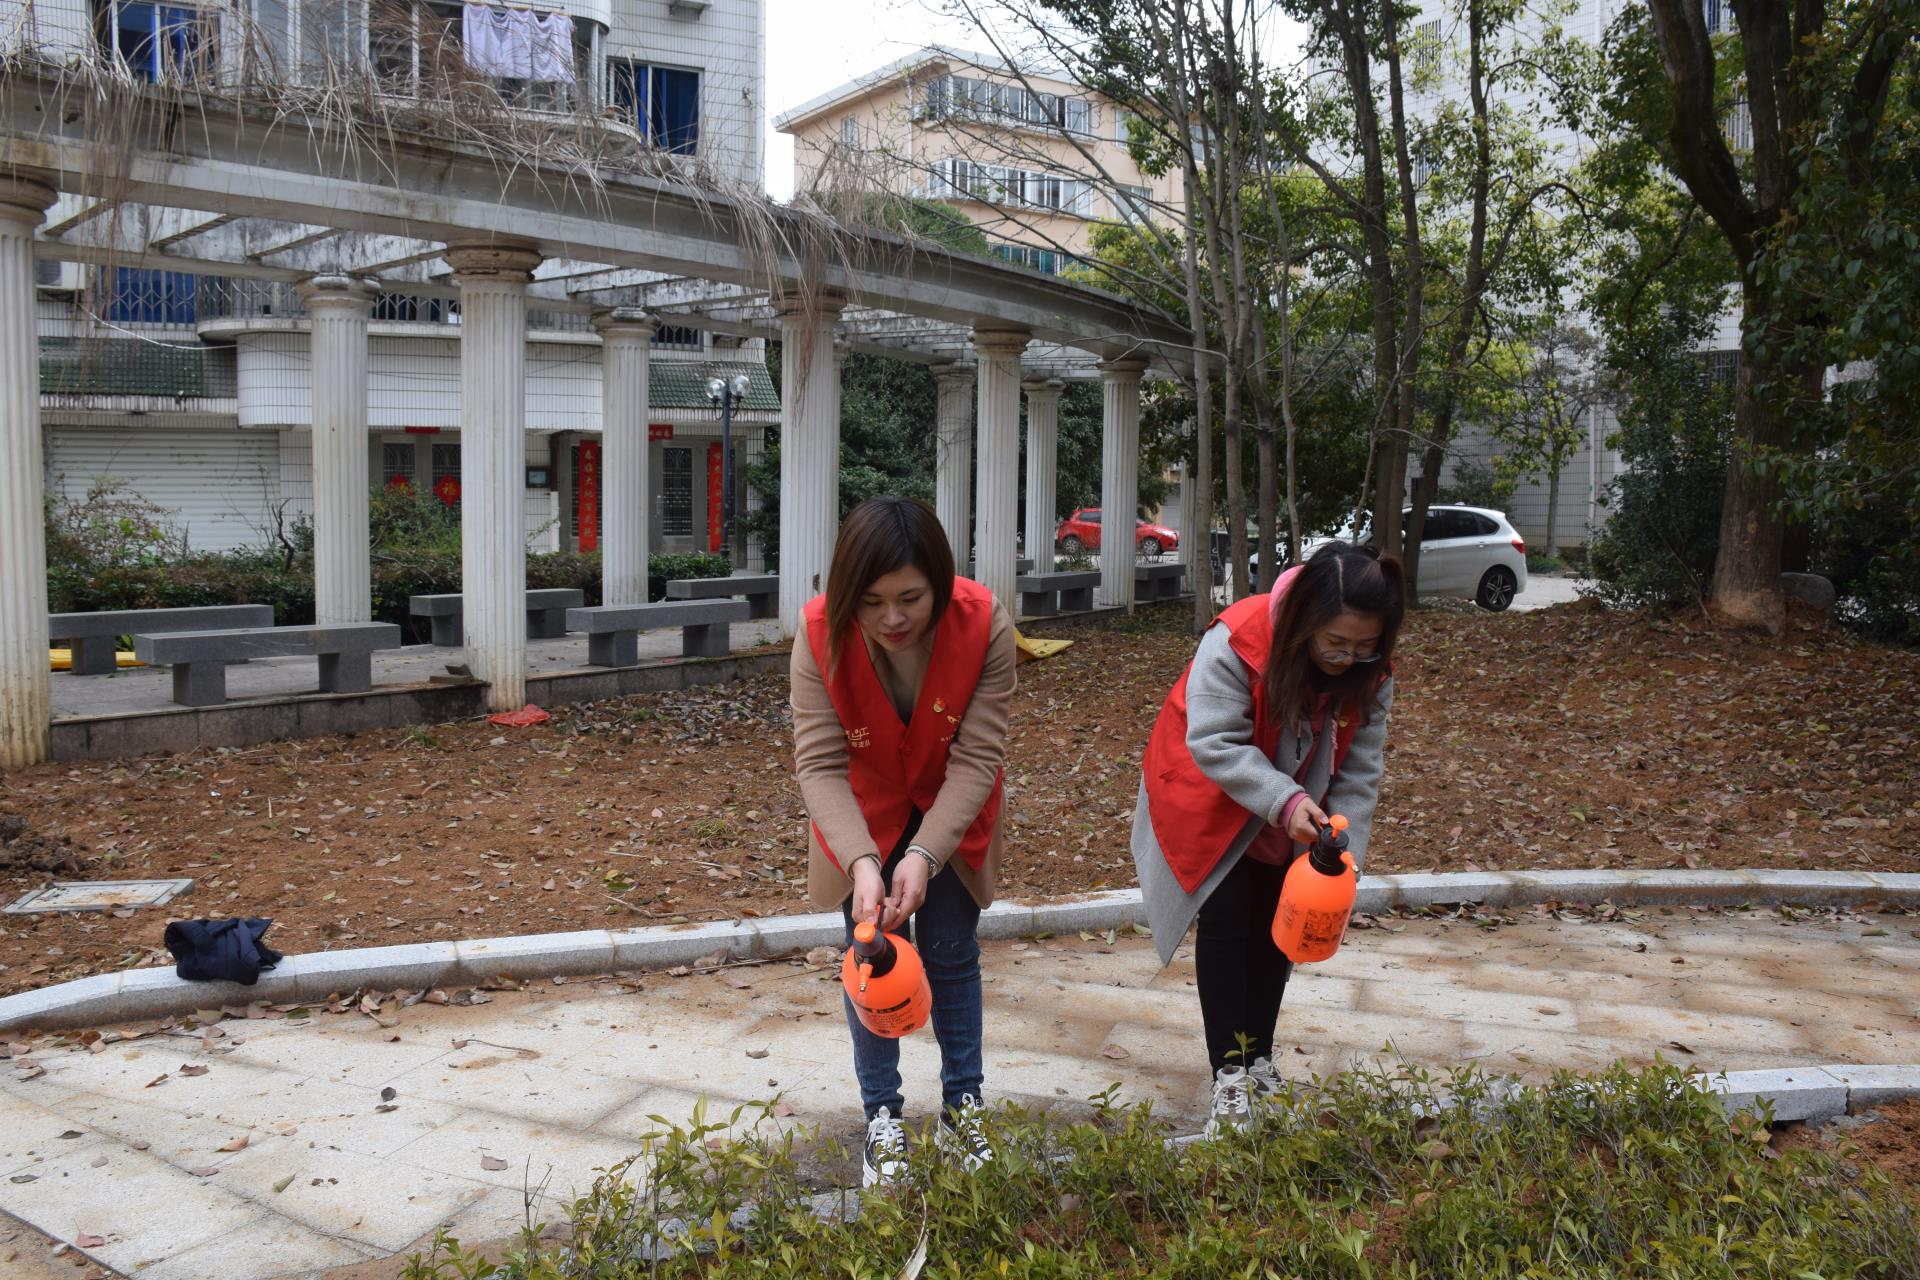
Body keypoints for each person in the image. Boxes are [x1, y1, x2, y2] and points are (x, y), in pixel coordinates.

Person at [1131, 542, 1402, 1136]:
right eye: (1335, 642)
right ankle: (1229, 1076)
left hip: (1299, 806)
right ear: (1304, 619)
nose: (1349, 658)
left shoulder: (1371, 671)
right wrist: (1285, 801)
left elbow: (1361, 771)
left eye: (1365, 646)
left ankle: (1258, 1060)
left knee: (1281, 928)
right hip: (1209, 790)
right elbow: (1214, 740)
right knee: (1229, 922)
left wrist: (1345, 852)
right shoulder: (1238, 638)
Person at [789, 496, 1017, 1186]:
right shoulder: (818, 631)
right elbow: (819, 763)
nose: (892, 618)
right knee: (872, 961)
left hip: (951, 806)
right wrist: (864, 863)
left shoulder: (985, 623)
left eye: (911, 599)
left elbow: (979, 756)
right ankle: (883, 1117)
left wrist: (924, 853)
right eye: (872, 602)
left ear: (940, 584)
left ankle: (963, 1106)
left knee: (951, 951)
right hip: (861, 812)